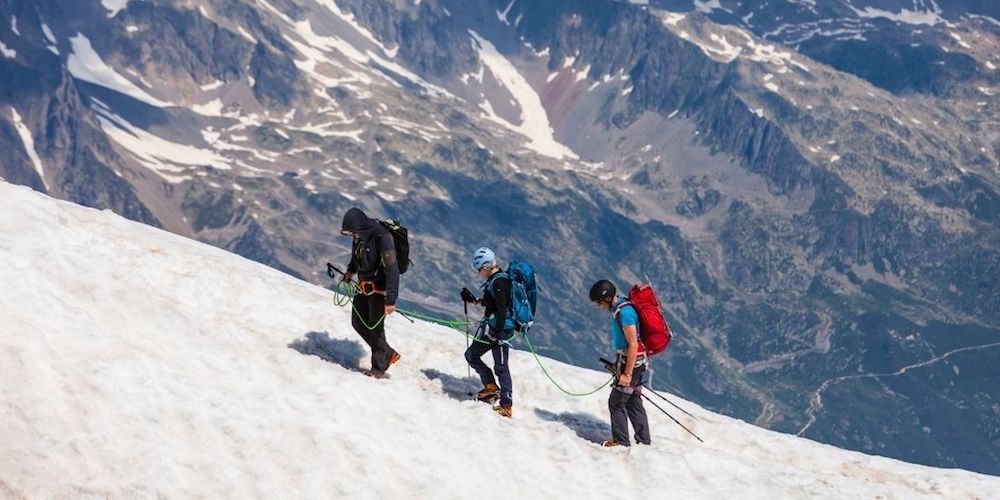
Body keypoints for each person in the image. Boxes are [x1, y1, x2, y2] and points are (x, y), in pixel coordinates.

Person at [340, 207, 401, 379]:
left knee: (375, 327)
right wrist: (350, 271)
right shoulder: (359, 237)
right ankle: (387, 353)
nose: (352, 236)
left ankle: (378, 369)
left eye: (353, 232)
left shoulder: (383, 237)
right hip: (363, 286)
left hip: (379, 290)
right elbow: (356, 257)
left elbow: (392, 270)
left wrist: (391, 299)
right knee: (358, 322)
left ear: (360, 227)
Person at [590, 279, 651, 447]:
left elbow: (633, 343)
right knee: (633, 400)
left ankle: (621, 442)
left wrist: (627, 374)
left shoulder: (625, 314)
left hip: (632, 362)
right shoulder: (623, 306)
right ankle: (644, 441)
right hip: (635, 360)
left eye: (599, 302)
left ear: (608, 298)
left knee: (616, 402)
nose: (599, 306)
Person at [460, 247, 515, 418]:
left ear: (485, 266)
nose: (479, 273)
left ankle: (506, 406)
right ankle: (491, 388)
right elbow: (494, 303)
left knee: (501, 367)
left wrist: (498, 334)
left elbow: (501, 308)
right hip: (493, 329)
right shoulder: (496, 281)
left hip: (500, 331)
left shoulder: (499, 282)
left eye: (479, 269)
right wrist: (475, 301)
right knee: (471, 355)